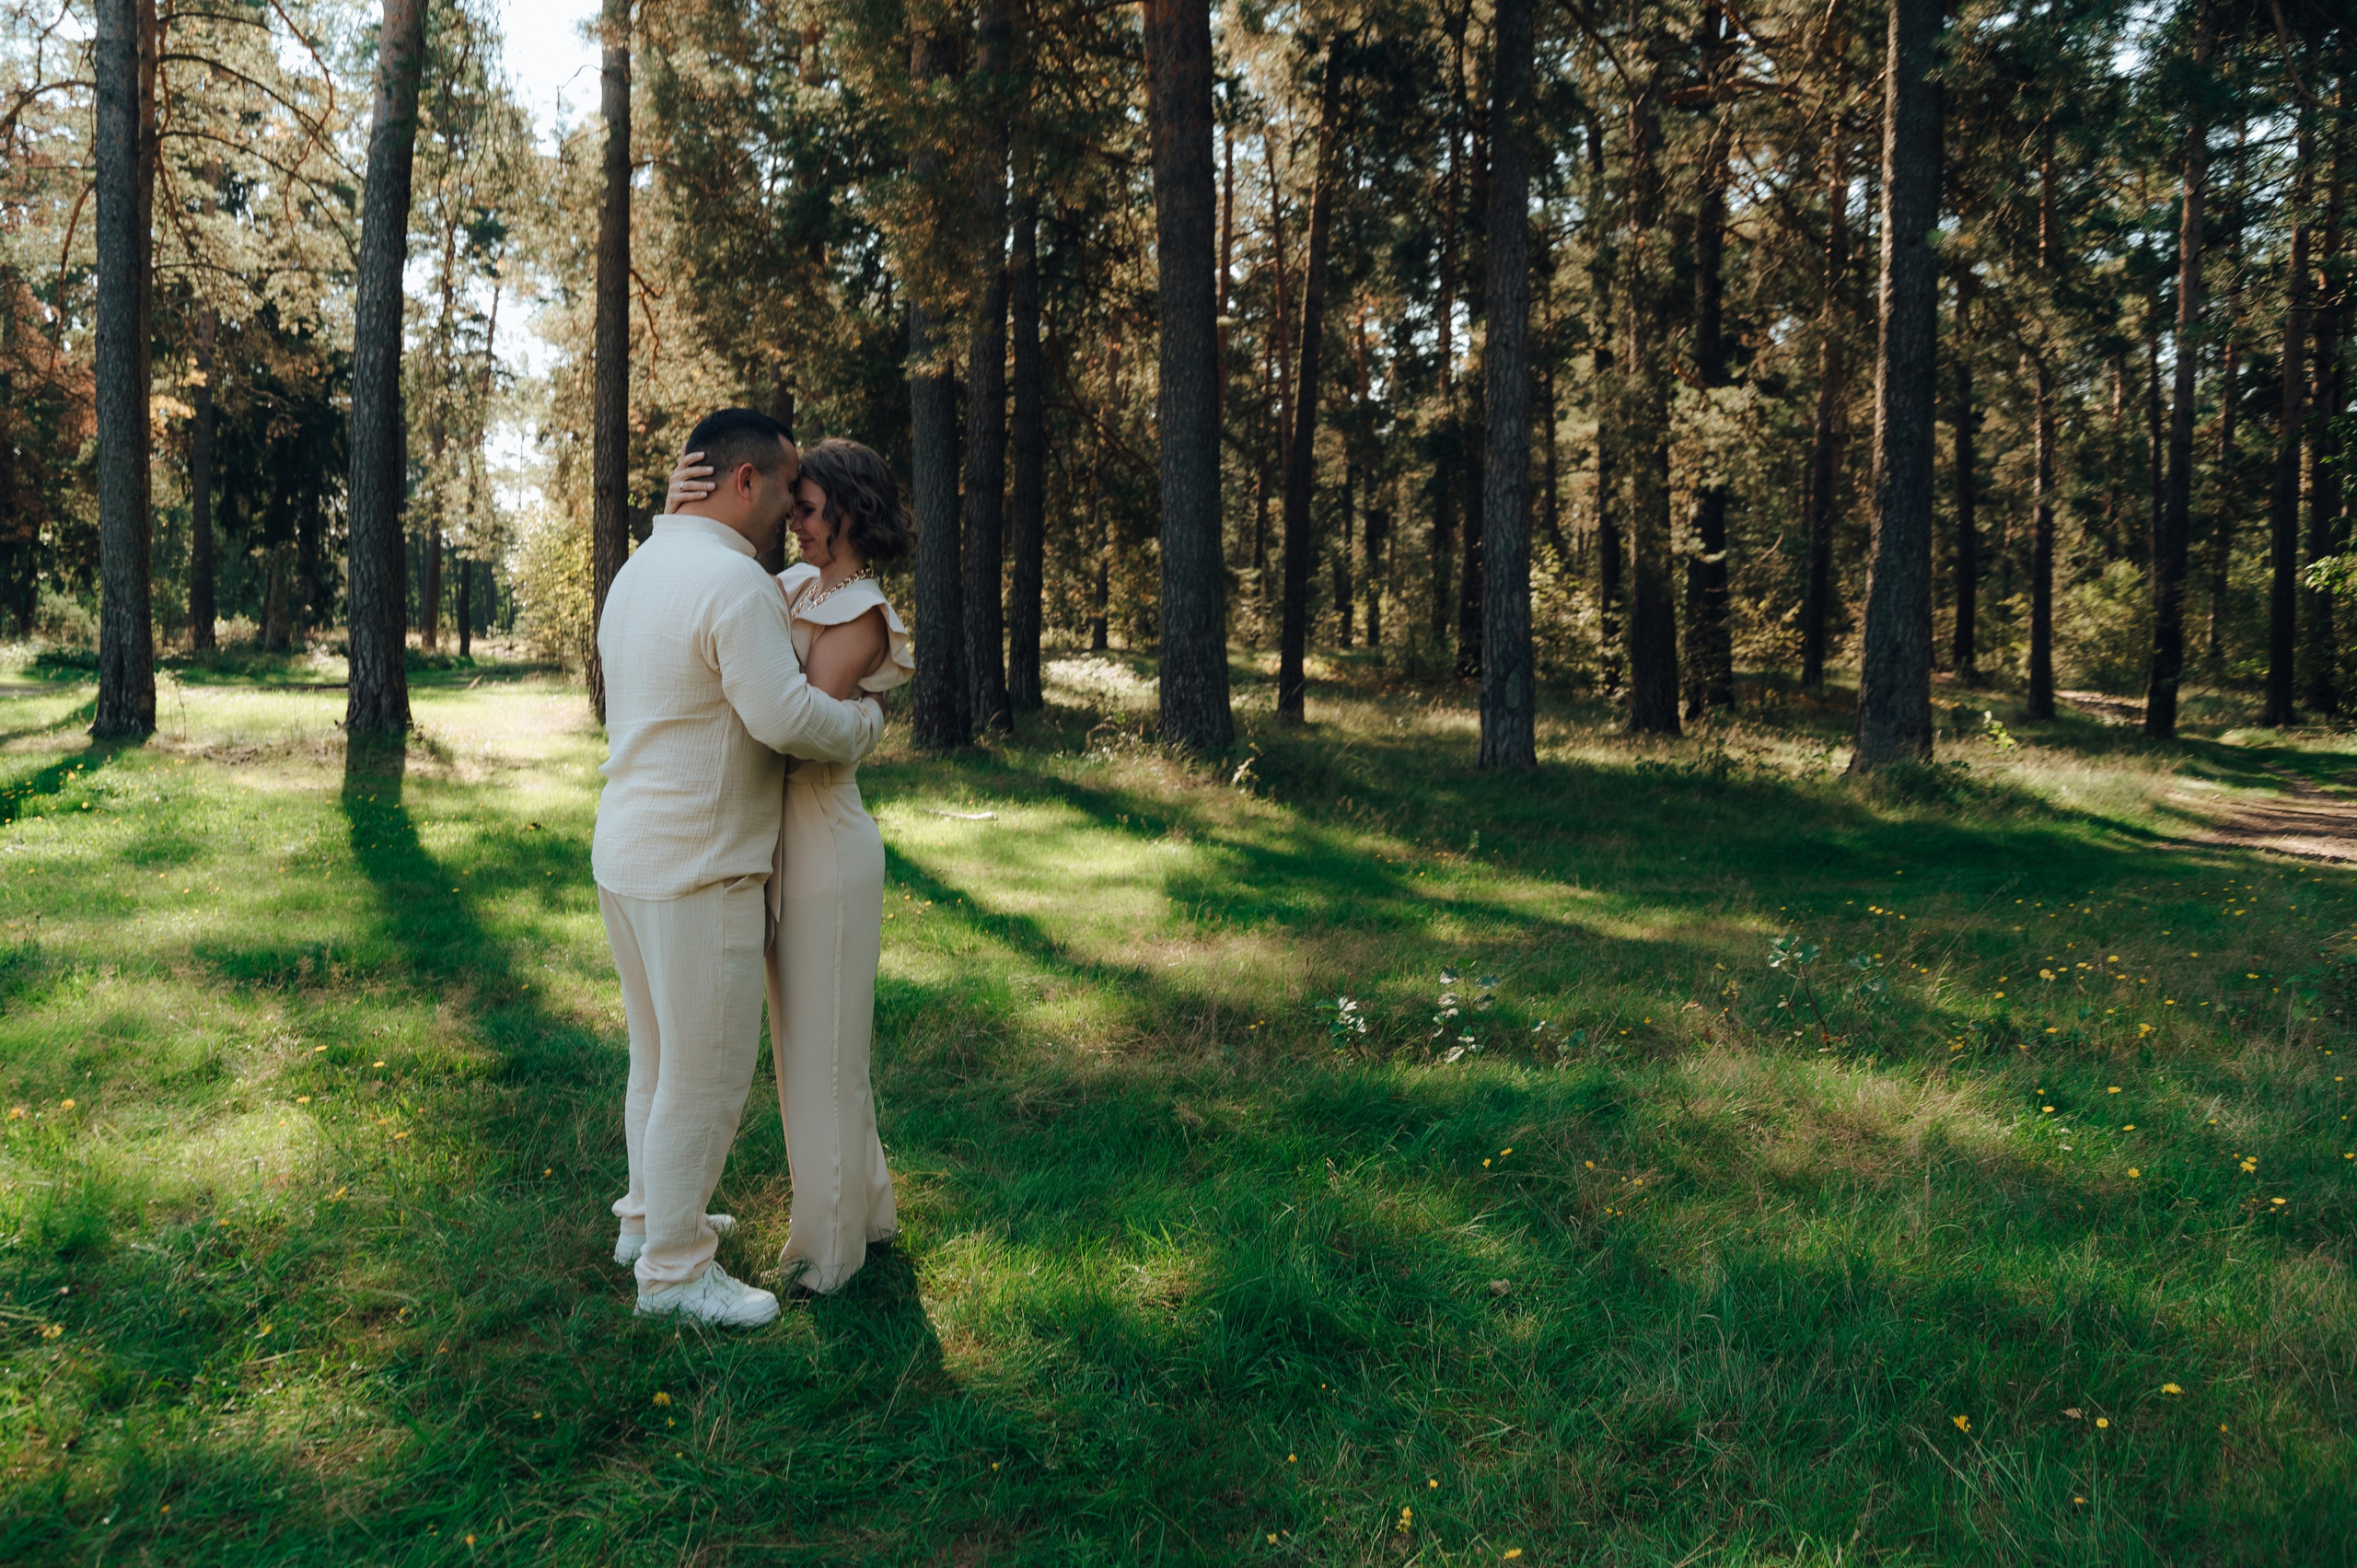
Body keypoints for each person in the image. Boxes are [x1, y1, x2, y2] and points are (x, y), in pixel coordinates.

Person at [595, 407, 885, 1329]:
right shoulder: (737, 584)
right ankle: (677, 1271)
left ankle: (647, 1221)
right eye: (782, 488)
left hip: (626, 855)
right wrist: (865, 726)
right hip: (700, 865)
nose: (787, 515)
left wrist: (668, 516)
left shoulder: (643, 567)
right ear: (745, 482)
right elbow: (786, 717)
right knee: (706, 1076)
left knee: (656, 1056)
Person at [668, 436, 912, 1294]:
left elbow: (793, 718)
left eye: (807, 510)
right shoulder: (800, 586)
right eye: (795, 507)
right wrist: (677, 514)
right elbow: (711, 582)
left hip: (824, 847)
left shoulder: (860, 613)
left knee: (822, 1061)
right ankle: (869, 1213)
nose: (794, 526)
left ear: (848, 512)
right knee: (812, 1048)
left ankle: (828, 1256)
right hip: (780, 843)